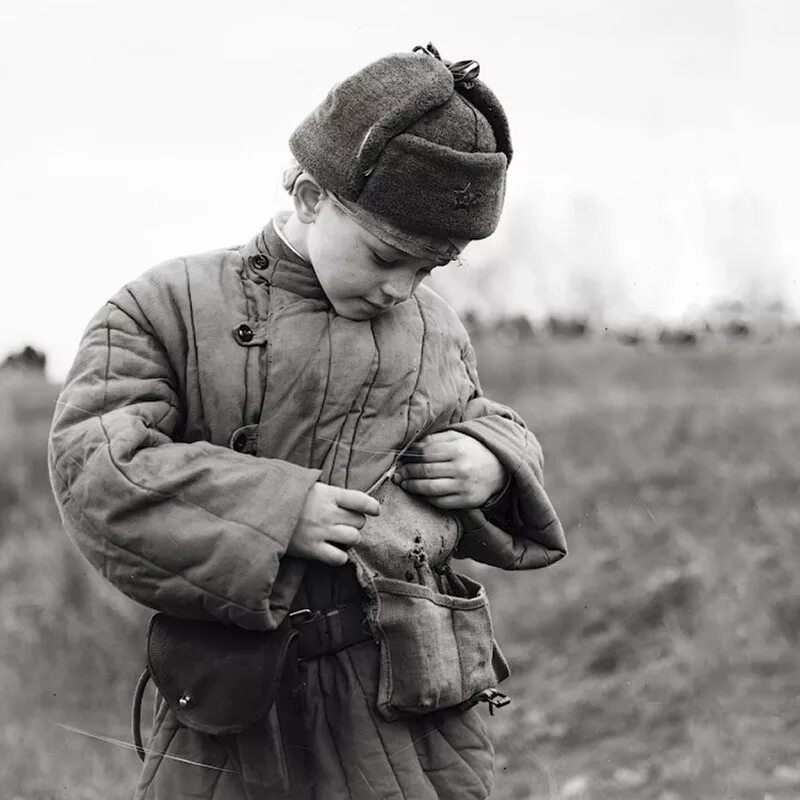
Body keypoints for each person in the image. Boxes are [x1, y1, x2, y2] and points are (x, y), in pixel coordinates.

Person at [48, 43, 566, 800]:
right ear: (309, 192)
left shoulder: (436, 330)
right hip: (235, 717)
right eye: (386, 254)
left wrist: (492, 459)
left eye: (429, 268)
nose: (401, 289)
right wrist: (276, 512)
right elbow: (98, 469)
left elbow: (480, 418)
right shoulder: (165, 307)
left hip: (410, 717)